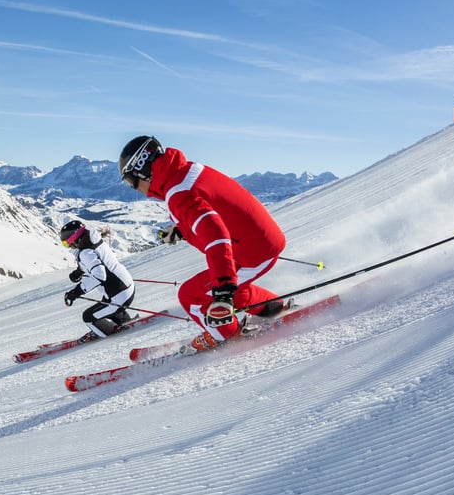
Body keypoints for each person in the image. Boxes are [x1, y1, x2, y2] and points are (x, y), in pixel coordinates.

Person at [118, 135, 288, 353]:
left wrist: (223, 291)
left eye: (130, 182)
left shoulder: (178, 193)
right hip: (261, 239)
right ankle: (275, 307)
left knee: (192, 295)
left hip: (252, 252)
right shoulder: (187, 172)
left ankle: (226, 336)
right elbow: (214, 210)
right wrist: (182, 229)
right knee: (235, 291)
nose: (135, 189)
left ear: (142, 169)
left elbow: (217, 236)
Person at [59, 220, 135, 343]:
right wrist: (78, 272)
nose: (68, 247)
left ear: (76, 238)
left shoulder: (86, 252)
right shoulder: (94, 242)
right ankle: (126, 322)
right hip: (125, 287)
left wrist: (76, 292)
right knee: (107, 307)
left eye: (67, 243)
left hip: (119, 295)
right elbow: (94, 263)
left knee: (88, 317)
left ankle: (108, 335)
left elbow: (100, 275)